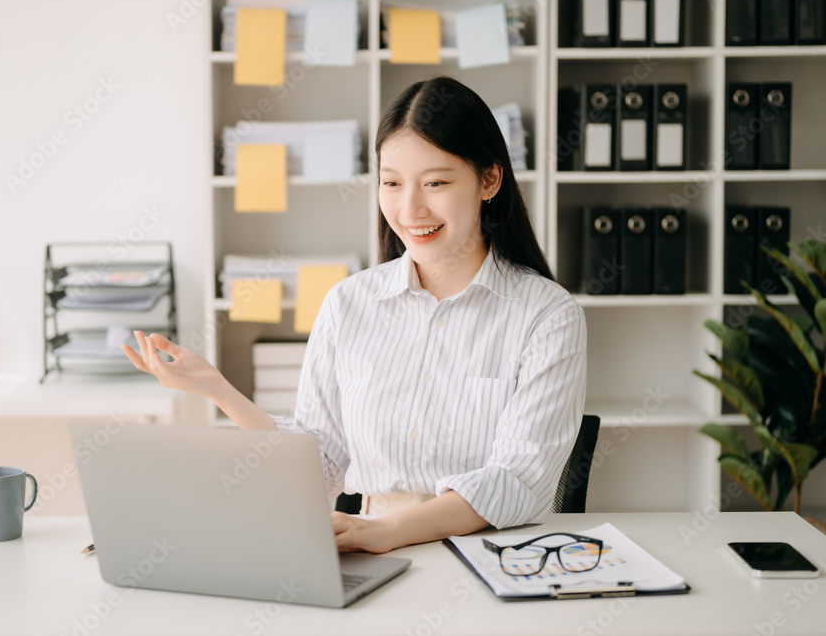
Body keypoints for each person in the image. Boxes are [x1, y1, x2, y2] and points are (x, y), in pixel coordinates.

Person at [121, 76, 586, 555]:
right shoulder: (348, 304)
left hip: (493, 556)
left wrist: (384, 533)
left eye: (436, 183)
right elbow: (320, 466)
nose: (410, 209)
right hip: (368, 549)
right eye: (392, 183)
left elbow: (519, 481)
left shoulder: (547, 315)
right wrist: (215, 387)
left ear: (489, 179)